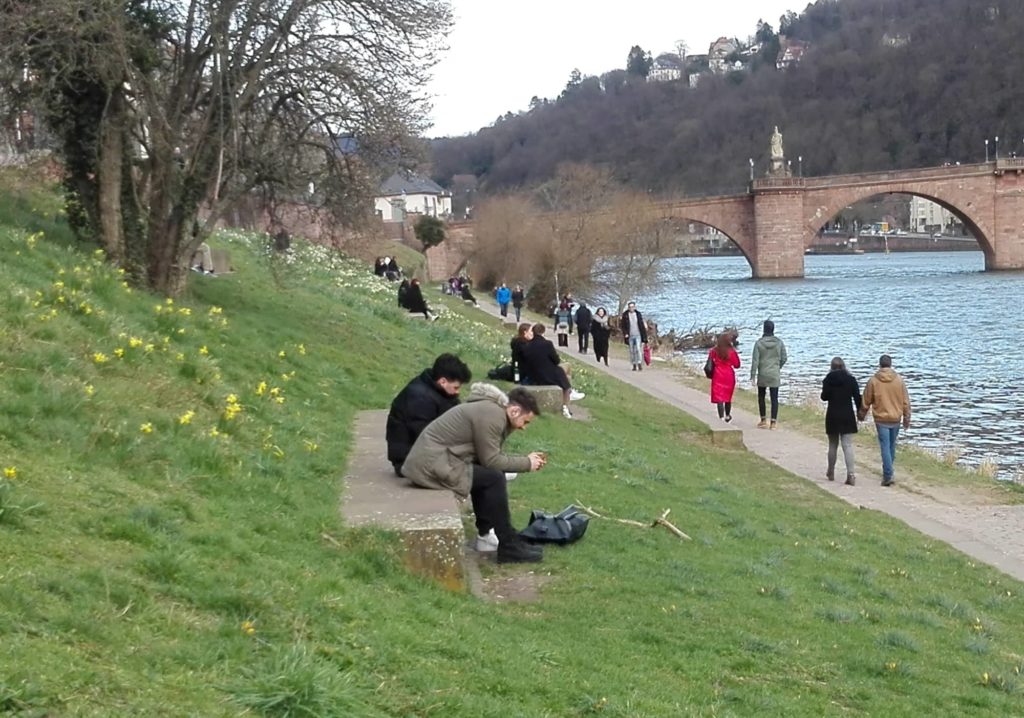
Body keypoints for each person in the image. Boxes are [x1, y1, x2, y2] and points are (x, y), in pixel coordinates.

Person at [402, 384, 548, 563]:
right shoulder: (493, 415)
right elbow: (491, 460)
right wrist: (527, 463)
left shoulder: (491, 411)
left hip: (435, 462)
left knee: (490, 476)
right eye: (526, 422)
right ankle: (508, 545)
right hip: (431, 466)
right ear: (515, 410)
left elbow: (486, 458)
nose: (524, 428)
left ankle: (490, 536)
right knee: (493, 477)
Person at [386, 354, 472, 476]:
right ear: (442, 381)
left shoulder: (439, 392)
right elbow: (425, 436)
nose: (457, 392)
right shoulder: (419, 398)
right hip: (410, 461)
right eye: (456, 387)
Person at [858, 354, 911, 487]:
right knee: (892, 445)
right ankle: (889, 471)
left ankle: (888, 475)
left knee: (885, 447)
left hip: (881, 419)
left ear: (880, 365)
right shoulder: (899, 380)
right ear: (891, 364)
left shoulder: (873, 381)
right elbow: (906, 402)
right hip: (895, 418)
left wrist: (861, 415)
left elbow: (866, 400)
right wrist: (906, 419)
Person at [519, 323, 584, 419]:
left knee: (564, 372)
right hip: (548, 374)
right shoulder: (547, 344)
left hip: (535, 375)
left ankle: (569, 395)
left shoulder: (527, 346)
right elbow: (556, 360)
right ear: (543, 332)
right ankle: (566, 402)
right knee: (565, 372)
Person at [821, 356, 863, 486]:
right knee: (847, 445)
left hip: (833, 415)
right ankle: (851, 474)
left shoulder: (828, 380)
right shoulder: (851, 380)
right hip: (847, 415)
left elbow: (824, 397)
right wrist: (860, 412)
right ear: (844, 366)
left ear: (831, 367)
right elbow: (857, 398)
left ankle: (831, 471)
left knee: (833, 445)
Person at [750, 319, 787, 428]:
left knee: (761, 397)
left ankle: (763, 420)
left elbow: (755, 360)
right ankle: (773, 422)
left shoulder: (759, 343)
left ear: (764, 329)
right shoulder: (779, 342)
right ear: (773, 329)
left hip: (763, 373)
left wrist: (752, 375)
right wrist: (777, 366)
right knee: (774, 398)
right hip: (774, 373)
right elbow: (784, 358)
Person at [708, 332, 740, 422]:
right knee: (727, 397)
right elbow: (737, 364)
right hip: (728, 375)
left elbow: (710, 363)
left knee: (719, 397)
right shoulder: (731, 351)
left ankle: (721, 417)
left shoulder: (714, 351)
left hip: (718, 374)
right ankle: (728, 415)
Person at [621, 301, 648, 371]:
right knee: (631, 350)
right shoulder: (625, 315)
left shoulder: (638, 314)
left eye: (632, 307)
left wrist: (645, 337)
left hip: (638, 334)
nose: (631, 308)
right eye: (630, 307)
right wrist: (625, 333)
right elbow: (623, 326)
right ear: (628, 308)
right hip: (630, 335)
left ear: (635, 307)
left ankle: (639, 363)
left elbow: (641, 325)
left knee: (638, 349)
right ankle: (634, 364)